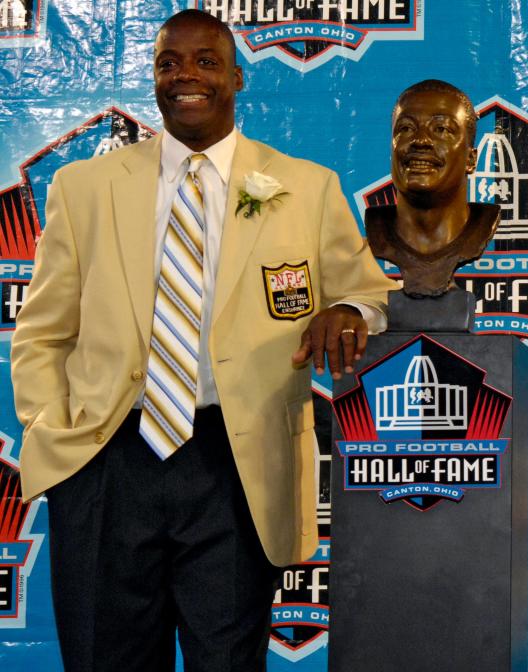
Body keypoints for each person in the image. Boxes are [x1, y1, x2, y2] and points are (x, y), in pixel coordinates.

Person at [10, 9, 396, 671]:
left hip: (235, 465)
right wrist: (59, 440)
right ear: (154, 78)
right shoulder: (85, 189)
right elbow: (43, 333)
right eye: (168, 63)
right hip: (109, 459)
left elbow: (368, 292)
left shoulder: (302, 188)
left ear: (238, 77)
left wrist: (351, 310)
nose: (185, 76)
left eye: (205, 61)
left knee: (227, 660)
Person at [364, 79, 499, 297]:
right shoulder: (378, 231)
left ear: (471, 159)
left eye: (442, 129)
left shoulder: (482, 226)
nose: (421, 140)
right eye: (406, 128)